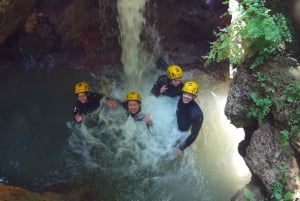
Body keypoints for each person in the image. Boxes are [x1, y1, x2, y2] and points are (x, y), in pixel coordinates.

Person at [176, 81, 203, 154]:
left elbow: (194, 134)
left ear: (194, 97)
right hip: (178, 120)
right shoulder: (182, 97)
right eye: (185, 93)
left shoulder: (196, 114)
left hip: (182, 130)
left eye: (190, 95)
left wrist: (182, 148)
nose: (186, 97)